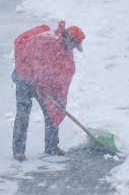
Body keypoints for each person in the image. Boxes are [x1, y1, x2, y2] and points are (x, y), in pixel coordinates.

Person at [11, 21, 85, 161]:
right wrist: (32, 74)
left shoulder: (66, 53)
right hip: (24, 80)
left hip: (42, 85)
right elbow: (26, 51)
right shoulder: (47, 40)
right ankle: (18, 151)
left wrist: (57, 97)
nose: (73, 48)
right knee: (23, 114)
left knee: (52, 112)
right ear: (68, 38)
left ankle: (52, 146)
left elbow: (64, 72)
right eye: (74, 44)